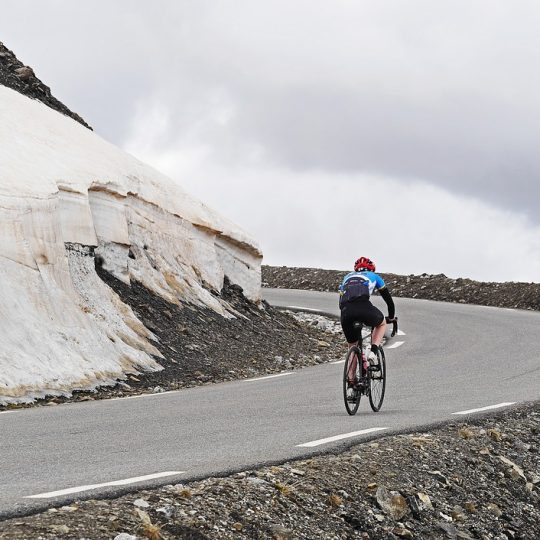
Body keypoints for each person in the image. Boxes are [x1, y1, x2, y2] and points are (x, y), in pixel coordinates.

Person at [338, 257, 396, 380]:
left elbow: (340, 303)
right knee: (381, 323)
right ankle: (374, 352)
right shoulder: (374, 276)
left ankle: (351, 382)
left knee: (352, 346)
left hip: (346, 312)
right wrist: (391, 317)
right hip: (364, 307)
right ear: (372, 268)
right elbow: (389, 302)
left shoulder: (346, 277)